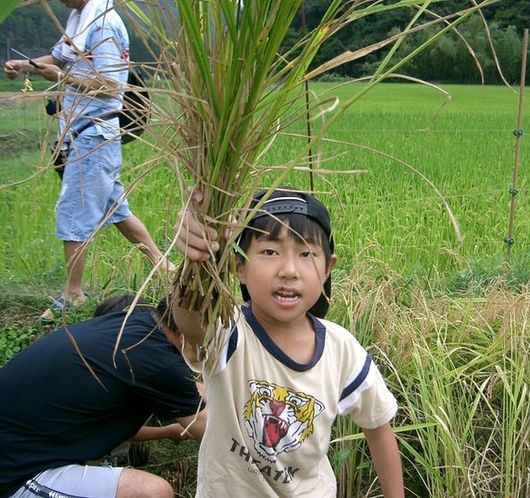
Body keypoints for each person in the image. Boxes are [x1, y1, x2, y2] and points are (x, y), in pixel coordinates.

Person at [172, 188, 404, 497]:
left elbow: (378, 427)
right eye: (269, 251)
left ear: (327, 269)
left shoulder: (340, 349)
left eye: (307, 253)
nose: (289, 271)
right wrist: (195, 257)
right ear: (238, 267)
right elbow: (191, 319)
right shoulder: (230, 331)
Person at [3, 0, 171, 321]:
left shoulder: (104, 23)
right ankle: (162, 265)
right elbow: (59, 58)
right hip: (83, 132)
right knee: (115, 208)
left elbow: (111, 87)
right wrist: (26, 66)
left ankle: (73, 294)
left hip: (95, 134)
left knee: (72, 209)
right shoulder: (80, 18)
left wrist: (62, 78)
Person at [0, 294, 207, 498]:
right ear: (185, 335)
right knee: (151, 493)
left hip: (27, 450)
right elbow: (214, 435)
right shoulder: (158, 360)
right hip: (16, 474)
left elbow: (194, 390)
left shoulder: (132, 332)